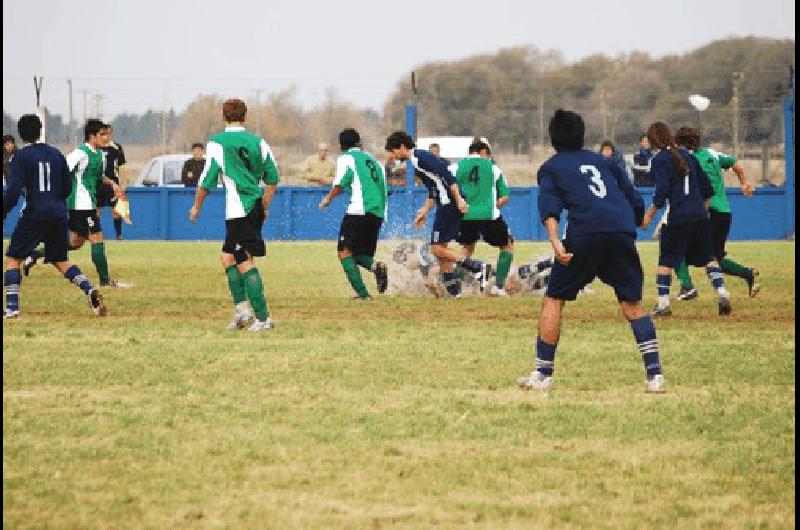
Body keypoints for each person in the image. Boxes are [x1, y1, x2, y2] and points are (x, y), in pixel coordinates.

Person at [517, 109, 664, 393]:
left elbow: (549, 207)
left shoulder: (551, 167)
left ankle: (542, 375)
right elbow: (633, 198)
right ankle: (655, 376)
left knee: (555, 299)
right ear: (583, 135)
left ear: (553, 138)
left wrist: (556, 242)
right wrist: (633, 222)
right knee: (632, 304)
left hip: (584, 233)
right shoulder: (606, 162)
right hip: (620, 233)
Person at [189, 98, 279, 332]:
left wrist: (197, 206)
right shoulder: (259, 142)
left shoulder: (217, 143)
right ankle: (243, 312)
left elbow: (207, 179)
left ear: (223, 116)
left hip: (240, 210)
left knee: (243, 261)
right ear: (245, 116)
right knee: (227, 258)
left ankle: (263, 318)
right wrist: (265, 206)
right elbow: (272, 178)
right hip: (251, 207)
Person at [3, 115, 106, 318]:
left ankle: (12, 309)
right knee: (61, 260)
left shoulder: (21, 157)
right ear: (40, 131)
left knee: (13, 258)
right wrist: (57, 202)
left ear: (21, 134)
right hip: (59, 213)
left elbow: (13, 191)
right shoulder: (56, 154)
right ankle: (89, 289)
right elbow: (67, 186)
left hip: (35, 213)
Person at [639, 122, 731, 317]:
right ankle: (723, 293)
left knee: (665, 261)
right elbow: (707, 190)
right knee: (709, 258)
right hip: (699, 216)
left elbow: (661, 193)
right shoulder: (688, 156)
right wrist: (702, 212)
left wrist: (648, 216)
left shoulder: (659, 160)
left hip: (679, 218)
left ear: (654, 141)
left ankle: (663, 305)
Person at [384, 131, 489, 298]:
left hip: (449, 204)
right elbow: (433, 189)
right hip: (446, 203)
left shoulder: (420, 157)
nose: (393, 155)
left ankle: (477, 267)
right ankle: (455, 294)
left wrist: (459, 199)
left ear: (402, 147)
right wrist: (424, 211)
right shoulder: (416, 162)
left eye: (393, 150)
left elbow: (448, 177)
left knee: (436, 248)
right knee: (442, 254)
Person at [672, 127, 760, 300]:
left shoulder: (688, 160)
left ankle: (687, 287)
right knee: (714, 258)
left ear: (681, 143)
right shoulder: (712, 154)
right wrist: (744, 184)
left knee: (677, 249)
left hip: (706, 212)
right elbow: (735, 164)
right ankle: (747, 273)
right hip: (724, 213)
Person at [318, 128, 389, 300]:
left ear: (342, 145)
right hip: (377, 213)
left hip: (358, 211)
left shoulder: (346, 158)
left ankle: (363, 295)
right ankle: (376, 267)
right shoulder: (376, 162)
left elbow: (340, 183)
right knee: (356, 254)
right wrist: (382, 215)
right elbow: (384, 190)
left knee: (344, 252)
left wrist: (327, 199)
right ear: (359, 142)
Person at [454, 139, 514, 296]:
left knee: (467, 249)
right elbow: (505, 196)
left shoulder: (456, 167)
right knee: (507, 245)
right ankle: (498, 287)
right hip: (488, 216)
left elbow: (450, 189)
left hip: (464, 215)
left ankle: (455, 286)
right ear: (483, 152)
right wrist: (494, 205)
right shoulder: (493, 168)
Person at [97, 125, 127, 240]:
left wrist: (123, 184)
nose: (106, 136)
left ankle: (118, 235)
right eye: (103, 133)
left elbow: (122, 166)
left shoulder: (116, 148)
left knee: (115, 211)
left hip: (114, 185)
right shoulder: (96, 148)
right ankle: (97, 234)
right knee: (97, 211)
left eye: (108, 133)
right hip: (98, 184)